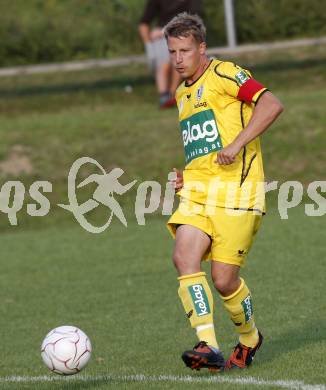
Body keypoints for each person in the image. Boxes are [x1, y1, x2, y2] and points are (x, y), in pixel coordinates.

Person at [164, 13, 283, 371]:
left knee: (223, 279)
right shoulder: (181, 92)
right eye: (172, 51)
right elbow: (204, 144)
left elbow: (271, 104)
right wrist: (189, 175)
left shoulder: (226, 74)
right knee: (183, 257)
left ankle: (249, 337)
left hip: (238, 194)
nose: (178, 59)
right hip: (199, 195)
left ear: (202, 48)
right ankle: (208, 346)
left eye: (185, 50)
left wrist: (237, 144)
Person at [138, 0, 202, 108]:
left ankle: (172, 94)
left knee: (176, 59)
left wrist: (166, 30)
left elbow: (193, 18)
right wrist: (149, 46)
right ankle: (164, 96)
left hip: (183, 32)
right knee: (164, 62)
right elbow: (144, 23)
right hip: (161, 37)